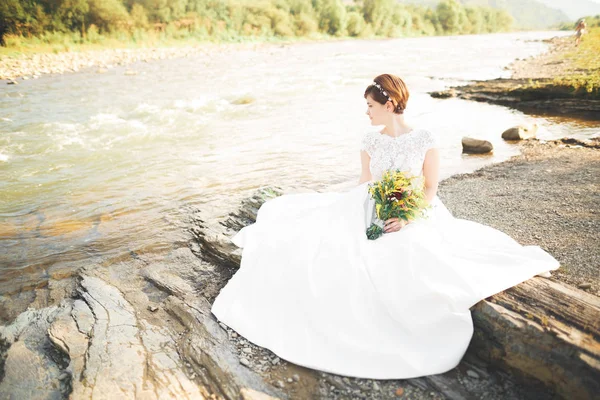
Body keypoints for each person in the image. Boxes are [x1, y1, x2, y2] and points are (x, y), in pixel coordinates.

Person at [211, 74, 559, 379]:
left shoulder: (425, 139)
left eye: (369, 105)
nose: (366, 111)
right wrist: (348, 207)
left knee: (408, 257)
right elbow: (364, 181)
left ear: (389, 103)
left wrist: (406, 216)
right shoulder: (370, 140)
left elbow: (430, 189)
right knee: (325, 250)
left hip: (415, 211)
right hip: (368, 204)